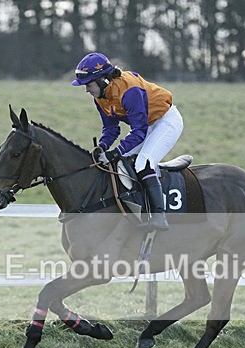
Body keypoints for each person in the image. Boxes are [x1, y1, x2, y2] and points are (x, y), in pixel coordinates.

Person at [72, 52, 183, 231]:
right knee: (118, 163)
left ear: (103, 80)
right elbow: (111, 129)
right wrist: (103, 146)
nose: (87, 90)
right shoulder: (100, 97)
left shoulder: (130, 91)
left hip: (166, 121)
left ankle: (159, 215)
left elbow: (138, 132)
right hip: (146, 125)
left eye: (88, 84)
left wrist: (116, 152)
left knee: (143, 163)